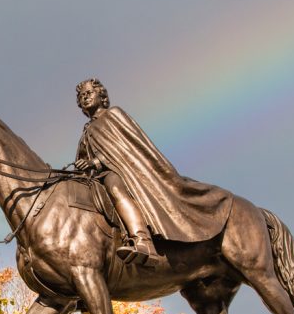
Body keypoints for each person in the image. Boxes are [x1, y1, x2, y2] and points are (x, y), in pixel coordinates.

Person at [73, 78, 233, 265]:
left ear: (102, 96)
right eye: (81, 96)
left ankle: (142, 240)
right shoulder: (87, 131)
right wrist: (82, 167)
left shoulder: (114, 115)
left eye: (89, 93)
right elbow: (81, 160)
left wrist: (97, 162)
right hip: (96, 178)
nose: (85, 98)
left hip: (121, 172)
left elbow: (128, 149)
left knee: (114, 186)